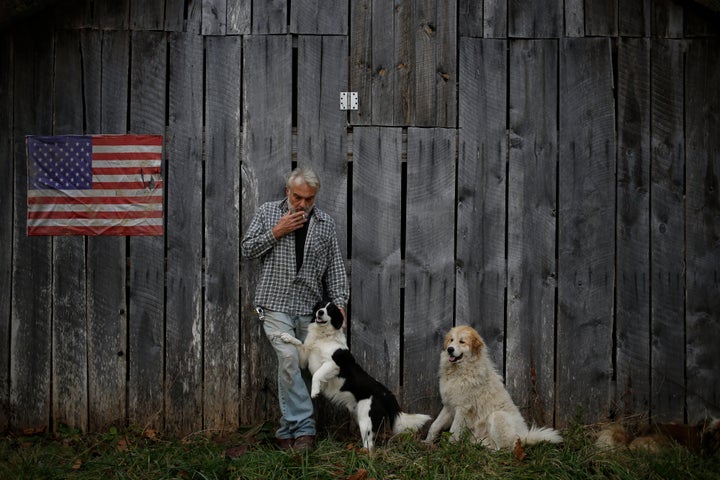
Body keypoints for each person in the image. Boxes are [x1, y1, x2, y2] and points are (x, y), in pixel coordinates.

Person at [239, 166, 349, 452]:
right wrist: (276, 232)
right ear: (288, 191)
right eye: (297, 197)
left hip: (308, 308)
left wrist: (339, 302)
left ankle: (286, 431)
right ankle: (305, 429)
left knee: (302, 368)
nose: (302, 204)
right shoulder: (267, 213)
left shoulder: (325, 224)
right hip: (272, 305)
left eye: (309, 199)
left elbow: (335, 267)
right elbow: (247, 249)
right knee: (288, 357)